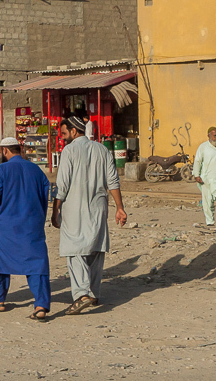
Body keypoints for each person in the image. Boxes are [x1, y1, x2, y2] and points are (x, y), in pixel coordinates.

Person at [51, 116, 128, 315]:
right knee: (95, 249)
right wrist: (120, 207)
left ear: (75, 131)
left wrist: (55, 209)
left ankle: (82, 295)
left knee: (74, 250)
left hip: (74, 209)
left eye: (65, 133)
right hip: (98, 208)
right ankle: (94, 294)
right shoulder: (102, 150)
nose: (64, 137)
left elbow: (62, 185)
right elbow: (113, 181)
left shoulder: (69, 151)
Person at [0, 137, 52, 320]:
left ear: (4, 151)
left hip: (7, 227)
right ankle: (41, 305)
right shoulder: (36, 170)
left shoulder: (2, 169)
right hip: (32, 226)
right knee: (37, 265)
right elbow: (45, 197)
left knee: (1, 263)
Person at [193, 126, 216, 227]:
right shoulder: (203, 147)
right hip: (207, 179)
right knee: (208, 202)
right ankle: (210, 222)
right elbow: (197, 161)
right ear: (209, 136)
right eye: (215, 135)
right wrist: (196, 175)